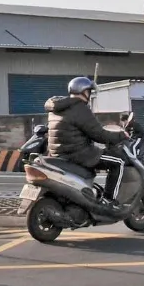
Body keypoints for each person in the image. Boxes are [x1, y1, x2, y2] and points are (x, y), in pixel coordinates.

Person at [46, 76, 129, 210]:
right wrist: (121, 135)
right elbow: (99, 135)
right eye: (89, 91)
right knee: (119, 161)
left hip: (60, 153)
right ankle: (109, 201)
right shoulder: (79, 108)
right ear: (84, 92)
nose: (90, 95)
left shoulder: (57, 108)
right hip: (78, 153)